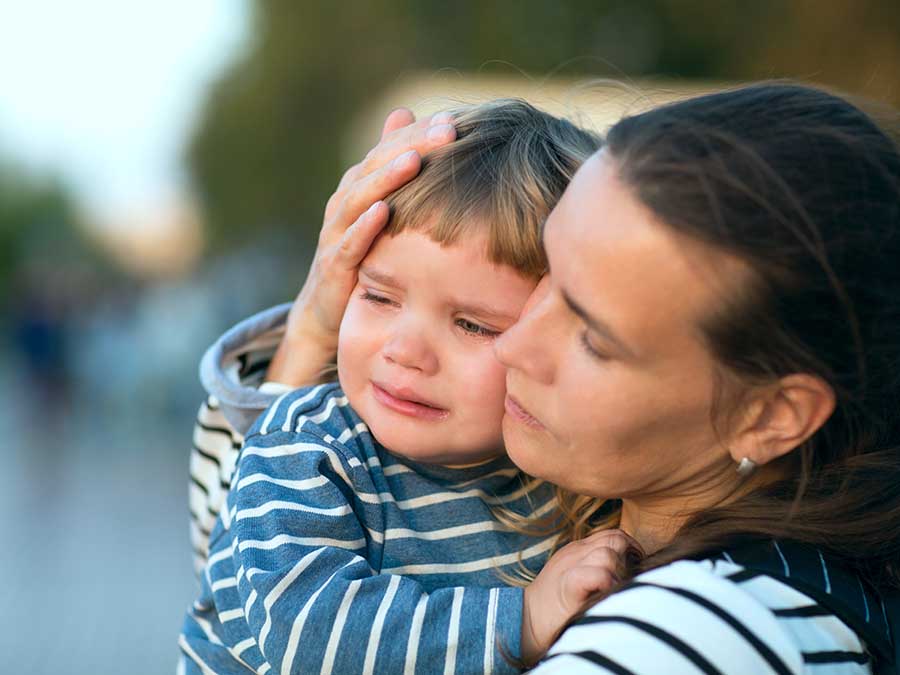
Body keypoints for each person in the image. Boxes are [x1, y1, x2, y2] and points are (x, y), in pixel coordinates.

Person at [187, 82, 900, 674]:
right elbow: (243, 578)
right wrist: (314, 326)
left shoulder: (690, 634)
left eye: (590, 333)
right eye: (546, 285)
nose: (518, 345)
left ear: (771, 415)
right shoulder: (341, 441)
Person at [180, 100, 631, 675]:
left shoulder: (565, 478)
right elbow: (310, 636)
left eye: (472, 324)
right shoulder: (307, 448)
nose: (405, 350)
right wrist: (523, 620)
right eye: (379, 296)